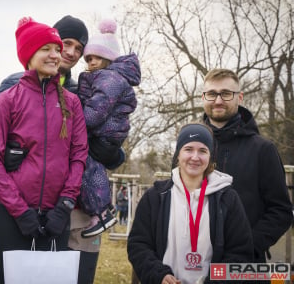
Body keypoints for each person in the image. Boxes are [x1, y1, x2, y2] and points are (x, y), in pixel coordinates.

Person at [0, 16, 88, 284]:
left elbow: (78, 156)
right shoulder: (8, 99)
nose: (56, 55)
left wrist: (64, 205)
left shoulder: (72, 103)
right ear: (29, 54)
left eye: (56, 49)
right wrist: (20, 211)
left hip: (56, 215)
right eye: (47, 49)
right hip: (12, 216)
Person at [127, 123, 253, 284]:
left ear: (210, 157)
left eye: (202, 151)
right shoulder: (155, 197)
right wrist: (158, 275)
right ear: (178, 155)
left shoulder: (227, 199)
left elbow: (240, 253)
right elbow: (138, 246)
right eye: (188, 149)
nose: (195, 157)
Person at [201, 68, 292, 262]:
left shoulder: (263, 149)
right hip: (194, 262)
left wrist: (248, 246)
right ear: (203, 97)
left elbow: (281, 211)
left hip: (245, 266)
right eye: (211, 94)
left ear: (240, 97)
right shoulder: (189, 149)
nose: (218, 100)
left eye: (226, 93)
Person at [77, 19, 140, 238]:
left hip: (105, 133)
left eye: (95, 57)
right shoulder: (106, 76)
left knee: (89, 168)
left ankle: (102, 212)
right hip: (105, 133)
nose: (90, 62)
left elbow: (96, 111)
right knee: (88, 166)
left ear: (108, 58)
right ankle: (99, 211)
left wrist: (77, 122)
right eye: (88, 59)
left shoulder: (110, 78)